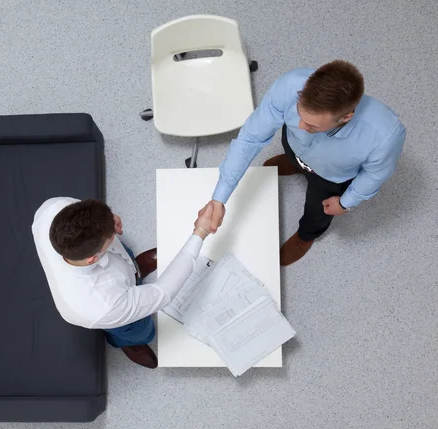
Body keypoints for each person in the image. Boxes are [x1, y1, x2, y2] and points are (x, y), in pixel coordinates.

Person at [206, 60, 406, 265]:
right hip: (295, 148)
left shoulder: (384, 136)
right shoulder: (291, 85)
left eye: (312, 125)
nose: (300, 126)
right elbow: (250, 138)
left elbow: (375, 175)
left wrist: (347, 203)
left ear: (345, 117)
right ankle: (295, 164)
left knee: (317, 212)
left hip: (330, 177)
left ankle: (306, 236)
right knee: (292, 150)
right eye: (299, 114)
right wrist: (220, 197)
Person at [32, 197, 214, 369]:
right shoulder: (104, 305)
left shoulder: (54, 208)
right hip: (112, 315)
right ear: (92, 258)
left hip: (109, 265)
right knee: (143, 331)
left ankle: (136, 271)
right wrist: (200, 233)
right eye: (110, 234)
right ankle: (127, 343)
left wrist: (107, 218)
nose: (114, 227)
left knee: (125, 256)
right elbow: (164, 292)